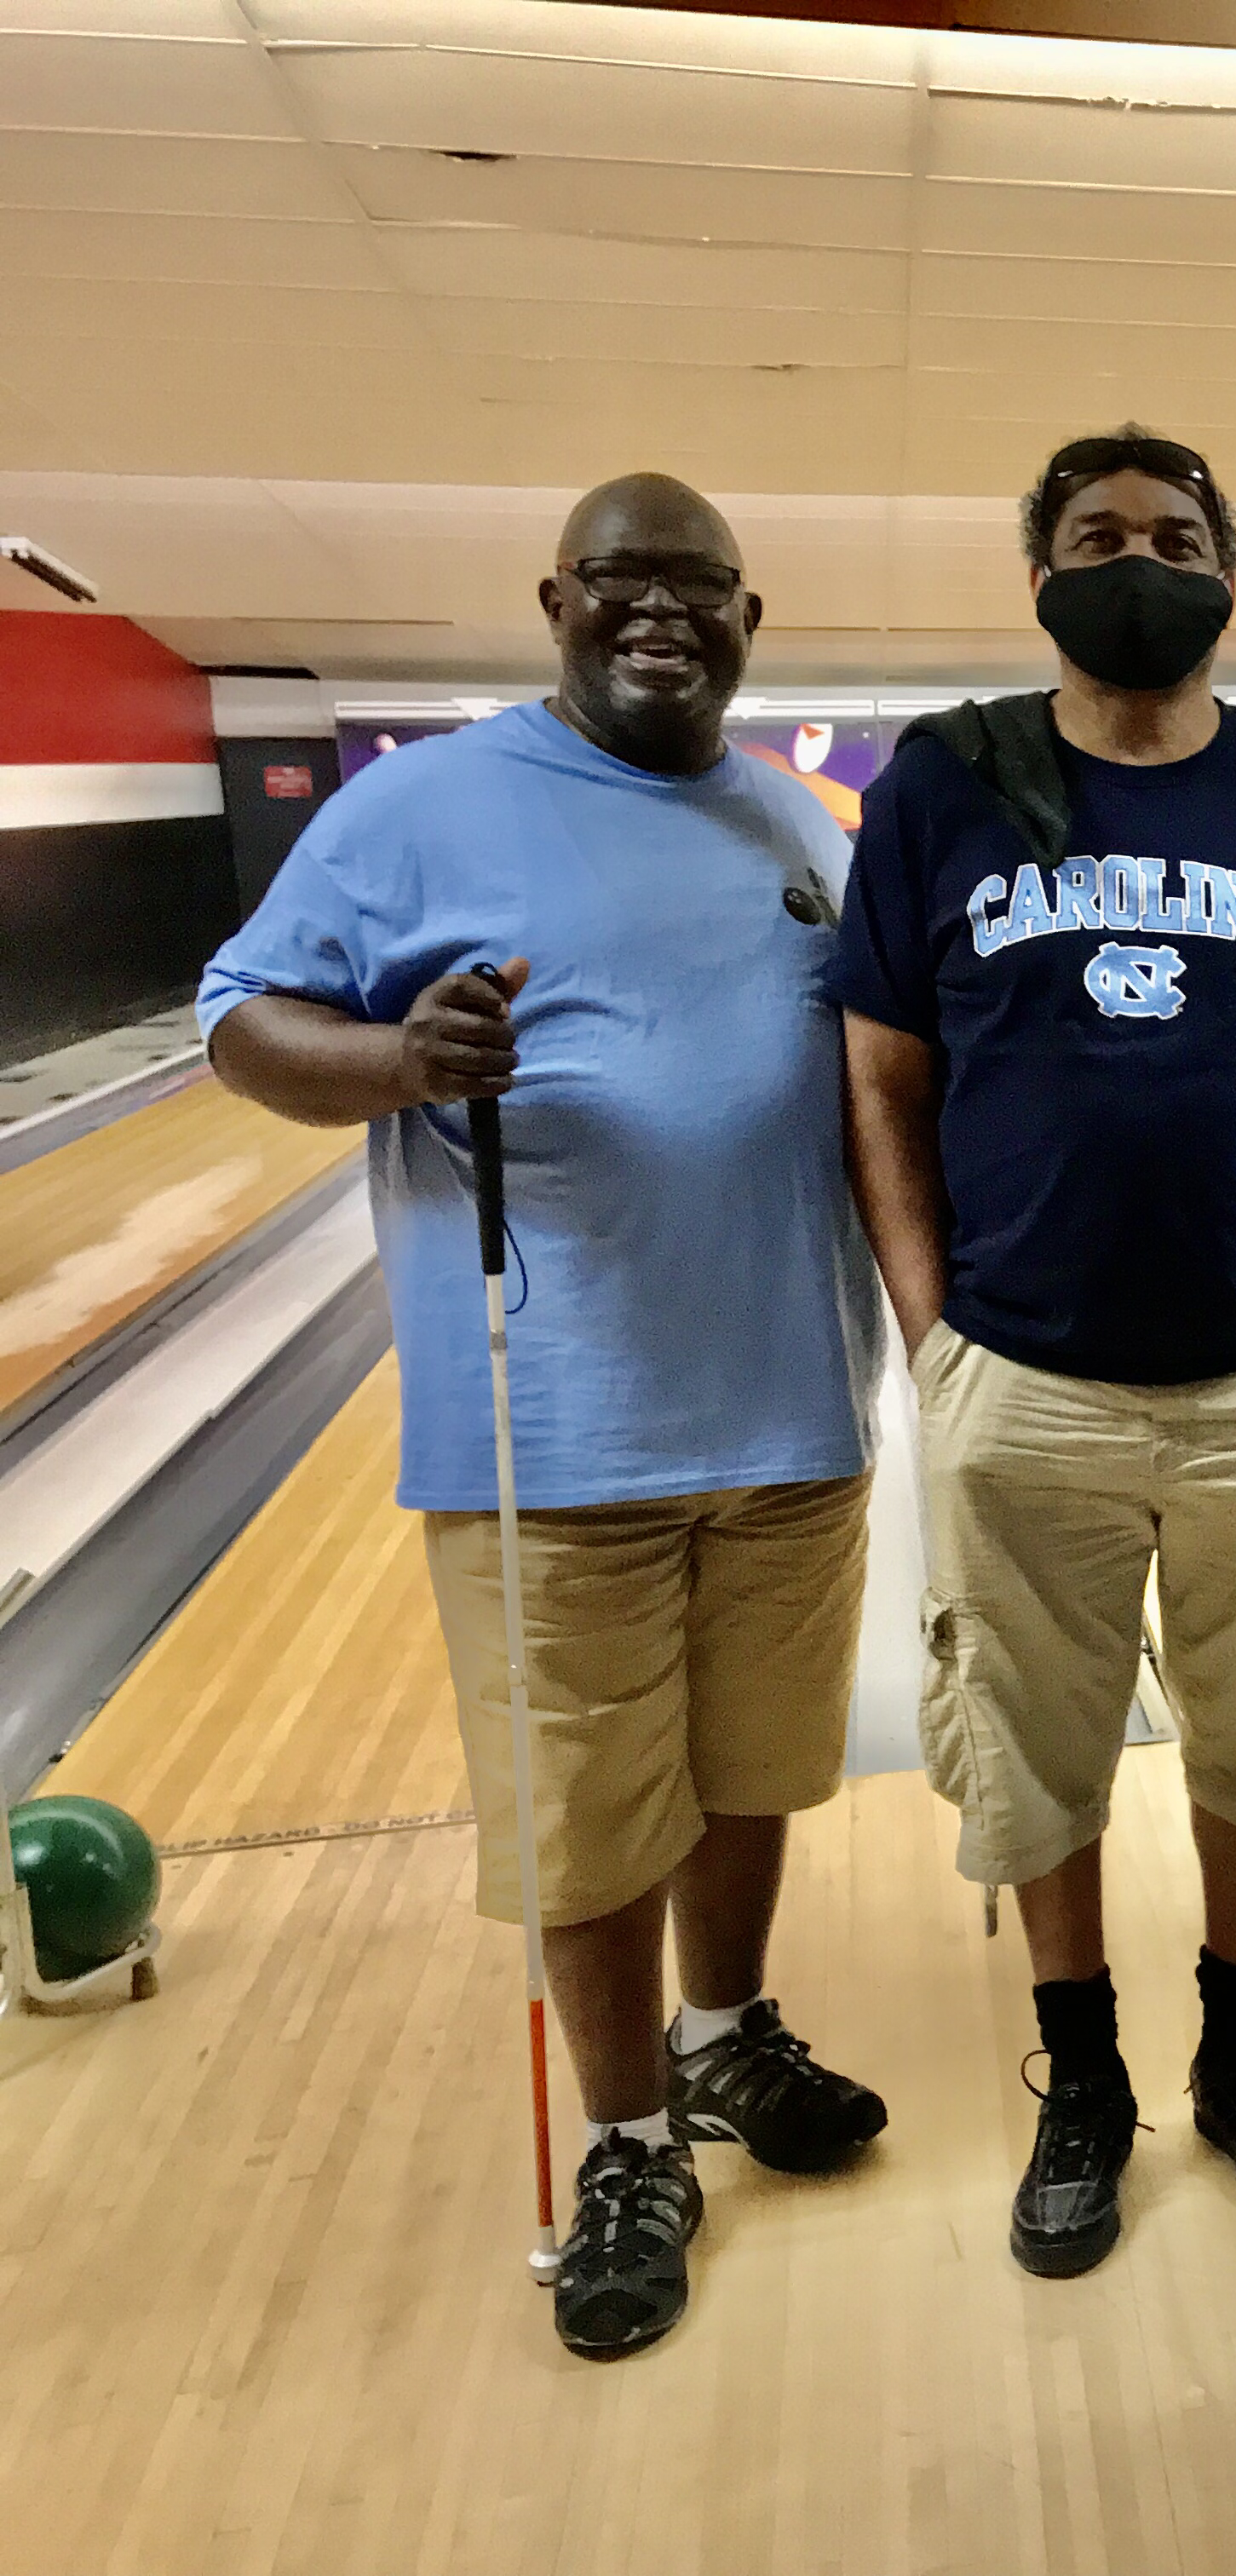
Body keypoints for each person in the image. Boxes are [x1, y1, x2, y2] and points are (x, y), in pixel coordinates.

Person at [199, 474, 889, 2360]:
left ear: (749, 620)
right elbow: (242, 1015)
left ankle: (728, 2036)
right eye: (618, 581)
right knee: (594, 1818)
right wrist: (394, 1057)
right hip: (555, 1425)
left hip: (788, 1404)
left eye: (695, 587)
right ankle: (627, 2137)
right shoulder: (412, 809)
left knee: (753, 1775)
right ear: (554, 602)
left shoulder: (790, 823)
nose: (656, 612)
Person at [833, 428, 1236, 2269]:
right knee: (1036, 1750)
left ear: (1228, 575)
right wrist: (934, 1333)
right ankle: (1080, 2079)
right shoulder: (948, 783)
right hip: (1027, 1375)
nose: (1139, 559)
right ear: (1040, 576)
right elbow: (880, 1075)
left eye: (1175, 535)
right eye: (1100, 535)